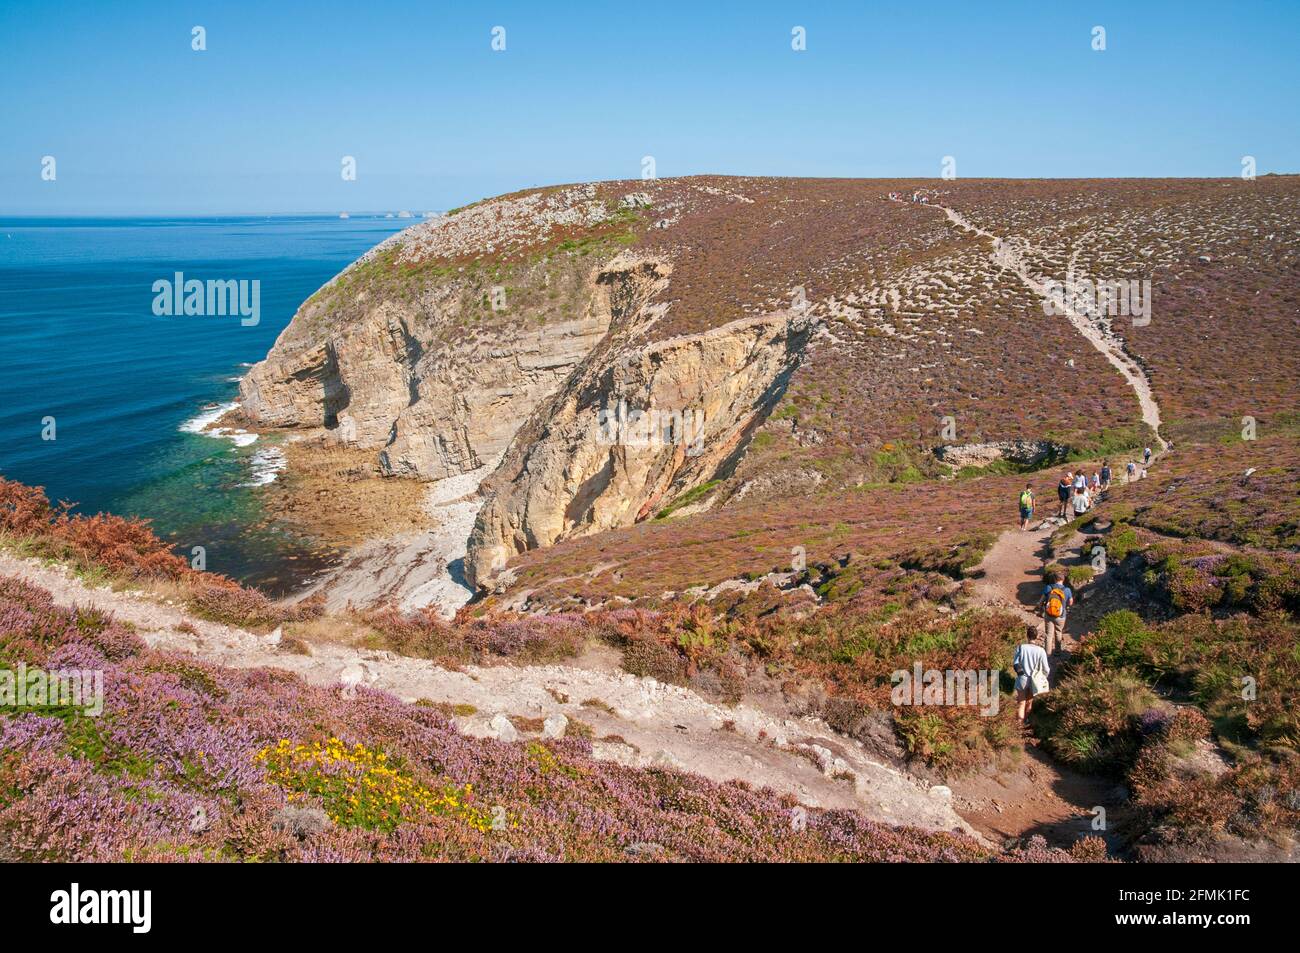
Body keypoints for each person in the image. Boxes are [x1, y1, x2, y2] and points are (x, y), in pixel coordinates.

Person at [1013, 625, 1051, 723]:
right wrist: (1043, 677)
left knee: (1021, 703)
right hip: (1035, 680)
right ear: (1037, 636)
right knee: (1029, 703)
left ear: (1027, 636)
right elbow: (1046, 669)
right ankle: (1025, 723)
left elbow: (1015, 663)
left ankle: (1018, 725)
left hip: (1022, 678)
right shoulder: (1041, 651)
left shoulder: (1021, 648)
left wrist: (1020, 674)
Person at [1039, 570, 1074, 656]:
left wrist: (1041, 607)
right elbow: (1070, 602)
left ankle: (1048, 653)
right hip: (1061, 615)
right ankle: (1058, 652)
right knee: (1058, 632)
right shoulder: (1067, 590)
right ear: (1063, 579)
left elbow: (1041, 600)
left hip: (1049, 614)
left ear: (1054, 579)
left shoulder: (1048, 587)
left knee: (1048, 634)